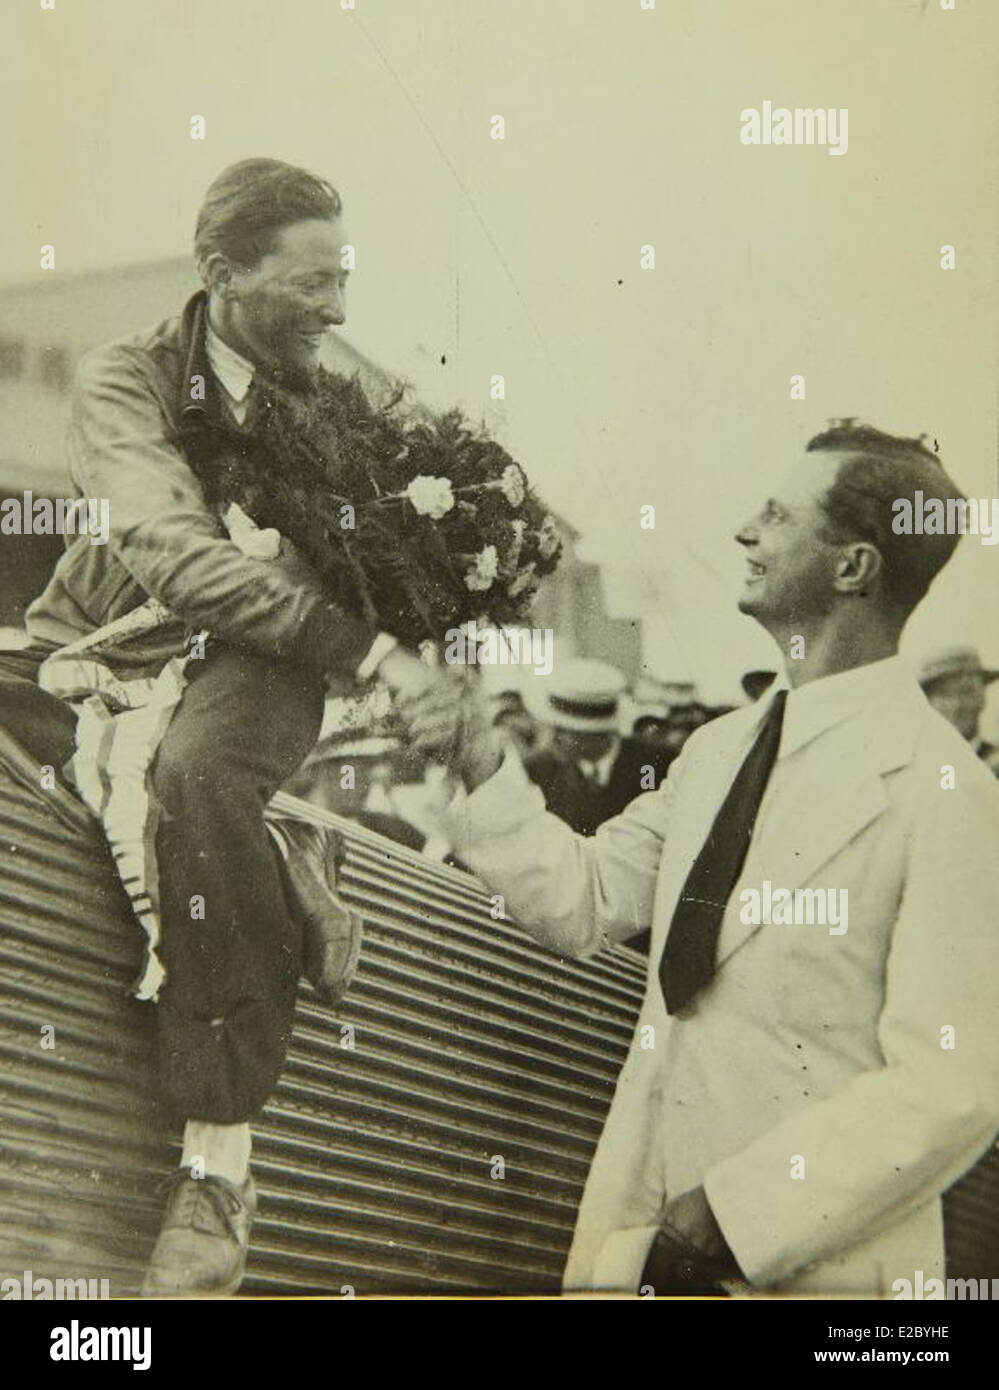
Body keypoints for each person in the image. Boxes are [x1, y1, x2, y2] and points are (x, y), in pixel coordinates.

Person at [402, 422, 999, 1295]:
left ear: (853, 569)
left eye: (776, 517)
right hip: (642, 1240)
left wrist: (729, 1214)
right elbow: (585, 897)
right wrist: (477, 753)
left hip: (803, 1267)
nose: (741, 534)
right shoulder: (720, 751)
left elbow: (951, 1084)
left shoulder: (947, 793)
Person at [0, 158, 433, 1296]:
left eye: (345, 282)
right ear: (219, 275)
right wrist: (363, 642)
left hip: (271, 658)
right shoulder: (124, 378)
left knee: (191, 776)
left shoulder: (338, 406)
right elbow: (169, 553)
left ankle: (219, 1169)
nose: (339, 312)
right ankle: (289, 855)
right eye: (314, 285)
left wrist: (383, 639)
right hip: (100, 640)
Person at [522, 658, 674, 835]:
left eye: (562, 730)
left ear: (594, 733)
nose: (552, 739)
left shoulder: (654, 764)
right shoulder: (537, 771)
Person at [917, 645, 999, 776]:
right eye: (945, 694)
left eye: (966, 692)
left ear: (982, 697)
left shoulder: (996, 762)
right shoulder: (921, 770)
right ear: (928, 702)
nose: (957, 705)